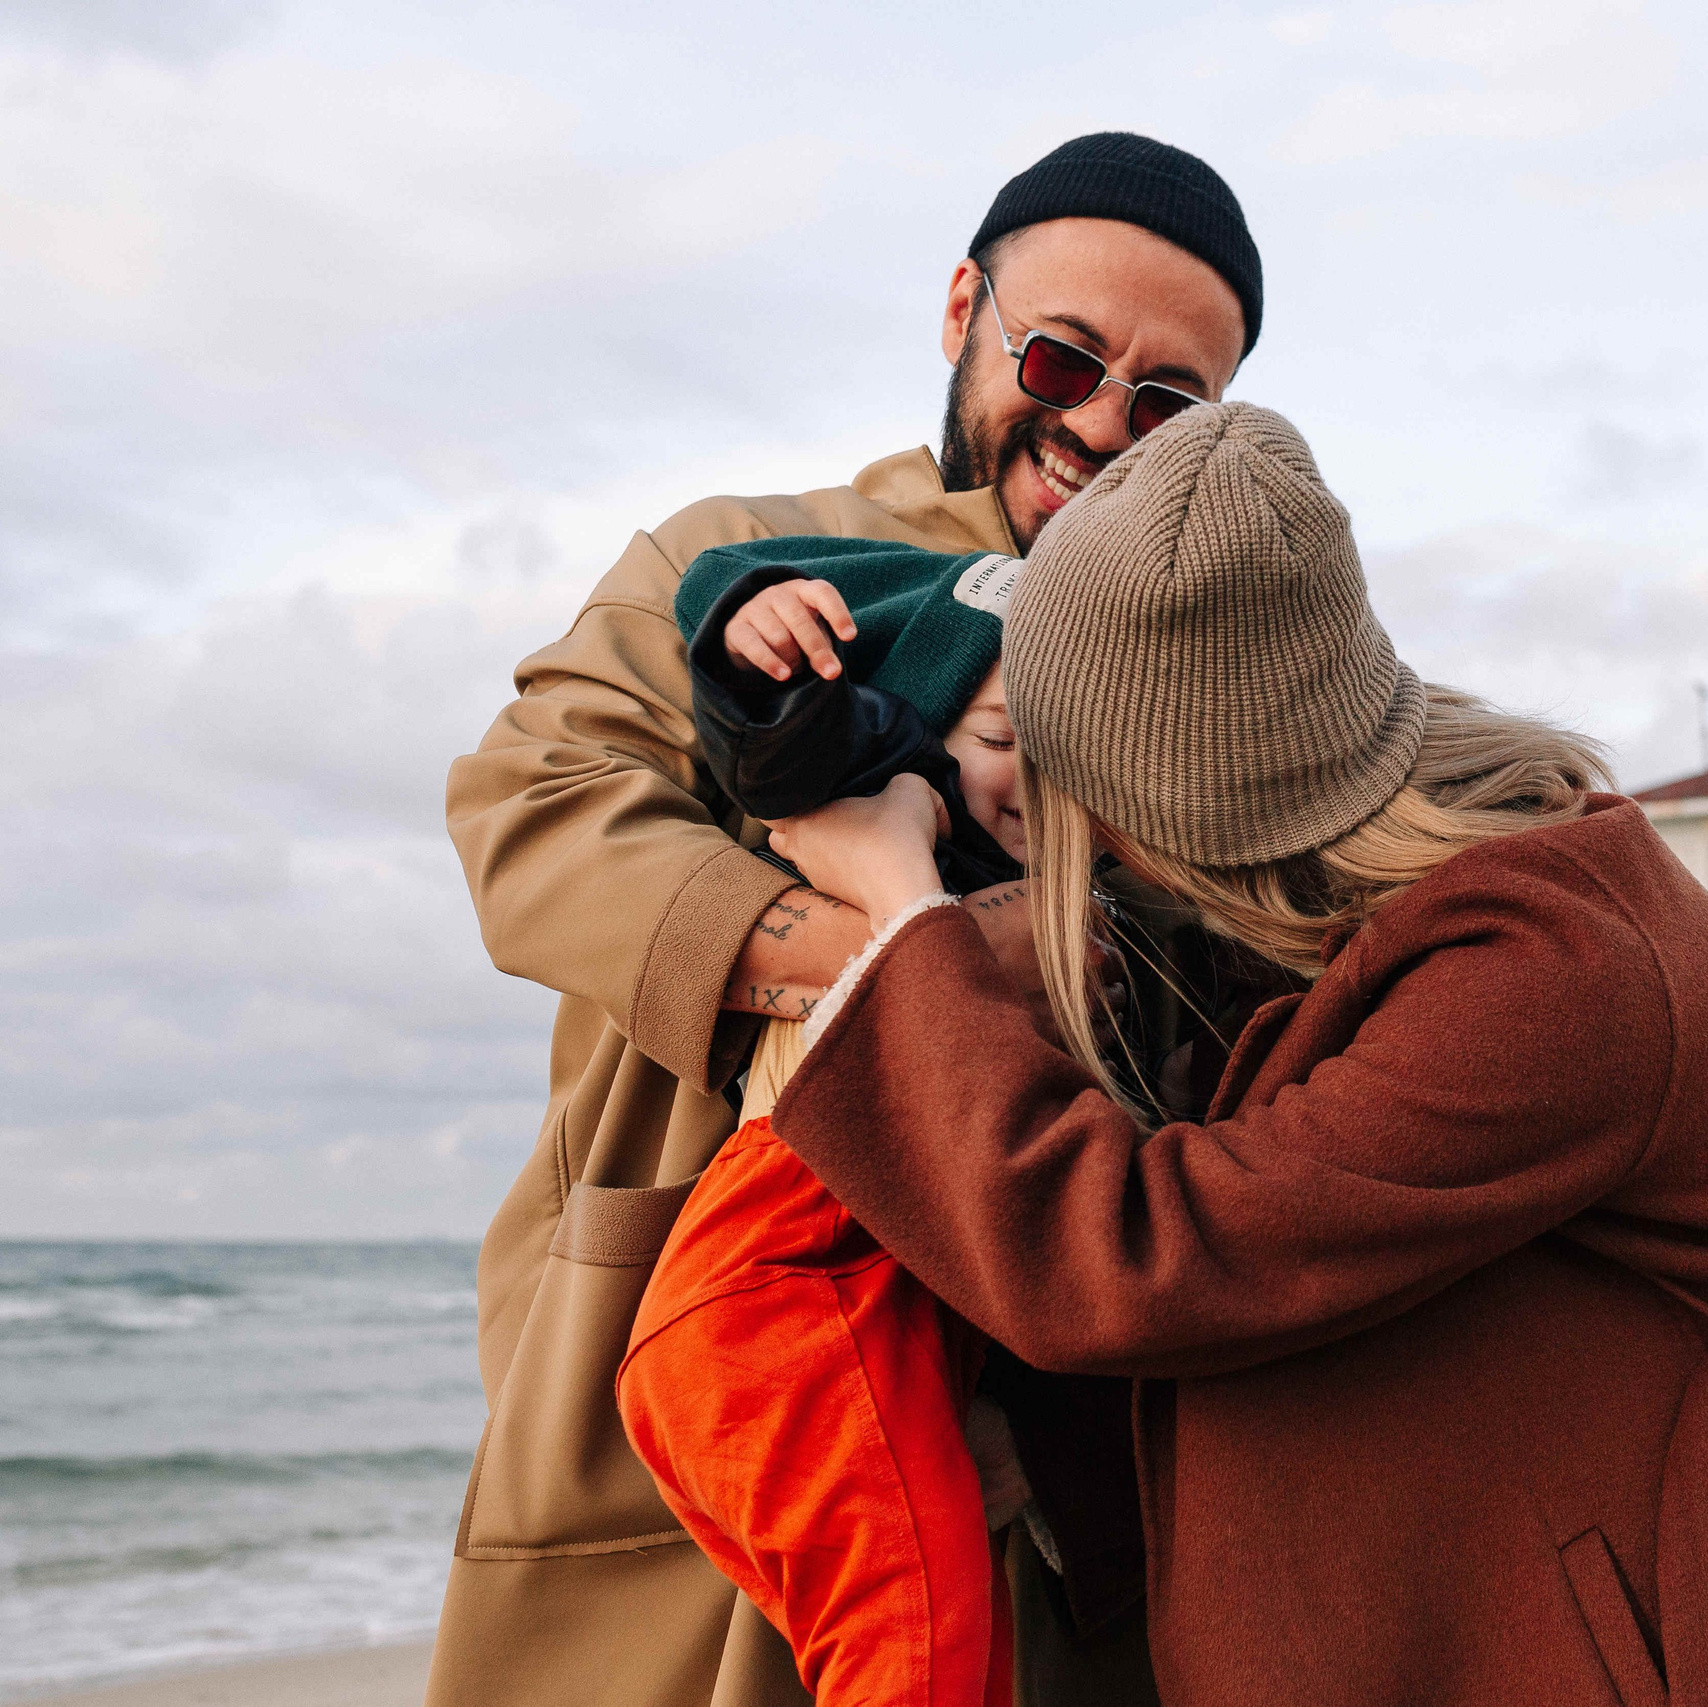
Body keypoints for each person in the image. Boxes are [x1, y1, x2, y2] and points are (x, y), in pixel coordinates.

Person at [758, 403, 1708, 1706]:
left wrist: (901, 907)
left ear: (1170, 809)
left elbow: (1148, 1259)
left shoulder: (1557, 966)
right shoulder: (1456, 901)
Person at [436, 132, 1261, 1707]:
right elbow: (534, 809)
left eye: (1166, 404)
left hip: (1062, 1457)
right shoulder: (734, 562)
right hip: (701, 1367)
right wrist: (899, 959)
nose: (1100, 423)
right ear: (962, 309)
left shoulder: (1212, 679)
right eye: (1062, 357)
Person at [622, 539, 1037, 1707]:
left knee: (949, 1653)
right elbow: (791, 746)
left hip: (832, 1313)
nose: (1032, 783)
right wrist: (761, 645)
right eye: (1000, 739)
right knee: (920, 1650)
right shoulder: (901, 791)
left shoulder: (1066, 870)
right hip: (789, 1285)